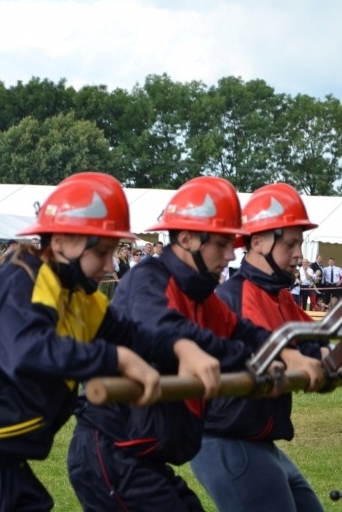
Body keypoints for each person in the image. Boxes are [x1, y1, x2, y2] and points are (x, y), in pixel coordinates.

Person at [0, 173, 161, 512]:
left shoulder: (78, 296)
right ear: (62, 241)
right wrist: (118, 359)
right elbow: (30, 352)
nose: (109, 264)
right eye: (102, 252)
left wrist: (192, 351)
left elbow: (136, 339)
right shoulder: (21, 277)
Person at [67, 176, 320, 512]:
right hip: (111, 452)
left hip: (143, 455)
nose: (230, 253)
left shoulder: (199, 294)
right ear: (186, 239)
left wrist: (288, 355)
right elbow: (161, 326)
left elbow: (241, 332)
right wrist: (229, 356)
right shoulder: (149, 279)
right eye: (221, 243)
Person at [190, 182, 342, 512]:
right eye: (290, 244)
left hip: (257, 440)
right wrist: (330, 357)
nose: (299, 254)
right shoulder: (239, 296)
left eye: (300, 243)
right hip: (228, 442)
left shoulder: (279, 296)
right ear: (257, 242)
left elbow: (316, 337)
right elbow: (279, 351)